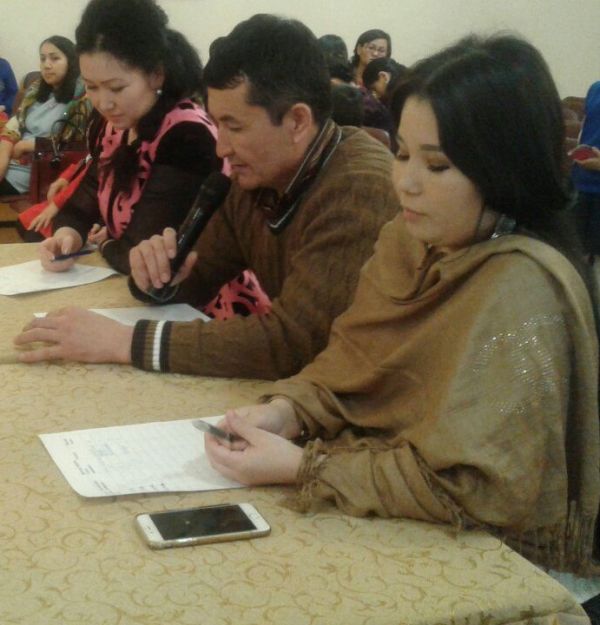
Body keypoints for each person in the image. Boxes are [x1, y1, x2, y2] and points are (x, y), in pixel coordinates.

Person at [203, 34, 600, 576]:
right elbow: (350, 361)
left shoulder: (521, 288)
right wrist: (287, 411)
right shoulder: (409, 242)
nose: (405, 183)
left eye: (436, 166)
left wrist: (304, 467)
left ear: (503, 170)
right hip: (388, 514)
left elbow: (482, 492)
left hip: (492, 563)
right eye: (403, 153)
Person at [14, 13, 400, 380]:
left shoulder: (358, 187)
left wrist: (125, 342)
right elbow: (198, 273)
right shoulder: (259, 177)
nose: (221, 148)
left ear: (297, 121)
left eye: (235, 127)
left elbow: (295, 342)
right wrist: (154, 276)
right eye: (218, 125)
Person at [38, 0, 223, 274]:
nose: (104, 103)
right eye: (91, 87)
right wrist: (68, 237)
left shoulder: (187, 137)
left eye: (116, 87)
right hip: (130, 283)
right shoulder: (114, 126)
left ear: (156, 75)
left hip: (193, 291)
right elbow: (83, 201)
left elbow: (139, 252)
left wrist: (103, 243)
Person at [0, 36, 90, 196]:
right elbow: (16, 122)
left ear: (71, 61)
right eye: (43, 59)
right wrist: (5, 149)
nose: (47, 65)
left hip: (36, 168)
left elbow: (78, 147)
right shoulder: (36, 90)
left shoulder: (82, 99)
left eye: (55, 58)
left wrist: (28, 145)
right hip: (9, 158)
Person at [570, 81, 600, 266]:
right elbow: (587, 127)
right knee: (575, 251)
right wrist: (578, 149)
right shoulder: (596, 88)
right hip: (581, 181)